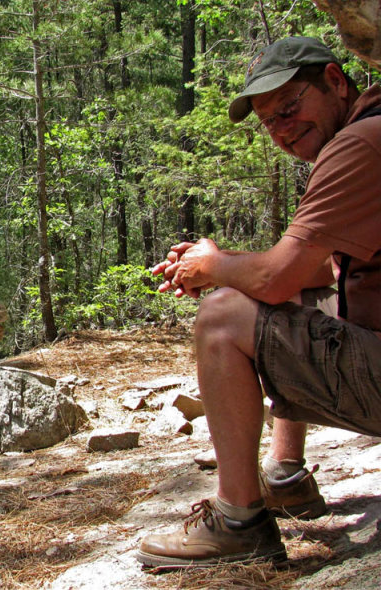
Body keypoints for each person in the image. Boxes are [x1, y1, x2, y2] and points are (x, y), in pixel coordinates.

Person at [137, 36, 381, 569]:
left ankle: (240, 522)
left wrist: (214, 267)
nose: (282, 129)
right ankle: (285, 472)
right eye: (270, 122)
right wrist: (218, 265)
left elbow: (272, 279)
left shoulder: (359, 145)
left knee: (223, 316)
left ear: (337, 82)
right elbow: (315, 268)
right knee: (291, 282)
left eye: (290, 108)